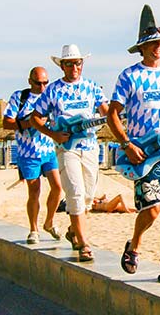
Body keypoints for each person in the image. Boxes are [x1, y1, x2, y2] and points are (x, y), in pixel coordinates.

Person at [107, 5, 160, 284]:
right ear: (142, 48)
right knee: (152, 209)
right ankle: (134, 245)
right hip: (144, 153)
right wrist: (126, 144)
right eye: (153, 43)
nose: (159, 47)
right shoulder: (129, 76)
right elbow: (112, 114)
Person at [31, 44, 109, 262]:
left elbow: (106, 112)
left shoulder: (92, 87)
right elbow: (35, 118)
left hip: (90, 147)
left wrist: (118, 119)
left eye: (77, 63)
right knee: (75, 192)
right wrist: (53, 134)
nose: (74, 67)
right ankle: (84, 244)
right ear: (62, 66)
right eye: (69, 64)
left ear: (82, 64)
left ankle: (73, 231)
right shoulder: (53, 90)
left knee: (88, 197)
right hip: (67, 149)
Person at [3, 67, 62, 244]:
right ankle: (33, 229)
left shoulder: (50, 97)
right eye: (38, 83)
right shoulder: (19, 97)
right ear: (30, 81)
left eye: (45, 83)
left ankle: (49, 222)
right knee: (34, 191)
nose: (42, 87)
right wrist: (30, 123)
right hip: (28, 153)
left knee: (57, 188)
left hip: (49, 151)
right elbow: (7, 122)